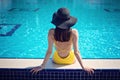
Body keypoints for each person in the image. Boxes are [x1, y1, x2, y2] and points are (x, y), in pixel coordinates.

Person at [30, 7, 94, 75]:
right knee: (71, 52)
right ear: (69, 21)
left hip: (57, 60)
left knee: (55, 53)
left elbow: (49, 51)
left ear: (56, 21)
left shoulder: (51, 33)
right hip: (70, 60)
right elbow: (76, 52)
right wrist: (83, 66)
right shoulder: (74, 33)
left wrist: (42, 66)